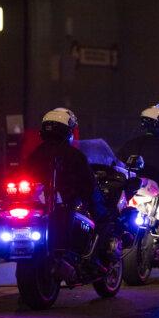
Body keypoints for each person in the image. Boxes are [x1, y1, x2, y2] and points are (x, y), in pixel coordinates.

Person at [25, 108, 119, 260]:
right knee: (102, 218)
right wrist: (100, 208)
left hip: (39, 208)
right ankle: (96, 255)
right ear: (67, 131)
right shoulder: (74, 155)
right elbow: (89, 185)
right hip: (66, 206)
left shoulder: (35, 154)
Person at [118, 104, 159, 194]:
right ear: (158, 124)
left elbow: (117, 167)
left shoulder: (129, 144)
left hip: (130, 194)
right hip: (155, 196)